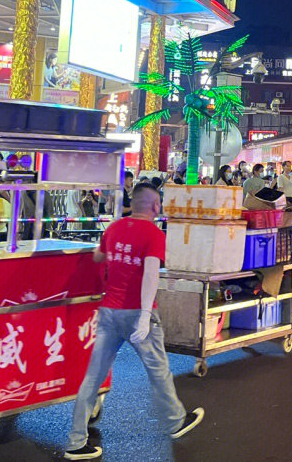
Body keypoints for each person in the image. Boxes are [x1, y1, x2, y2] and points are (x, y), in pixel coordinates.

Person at [64, 184, 203, 459]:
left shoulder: (114, 227)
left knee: (92, 377)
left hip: (109, 312)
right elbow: (152, 274)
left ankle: (75, 441)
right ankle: (176, 421)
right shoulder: (153, 233)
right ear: (154, 206)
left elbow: (97, 257)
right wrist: (142, 316)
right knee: (158, 370)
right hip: (138, 314)